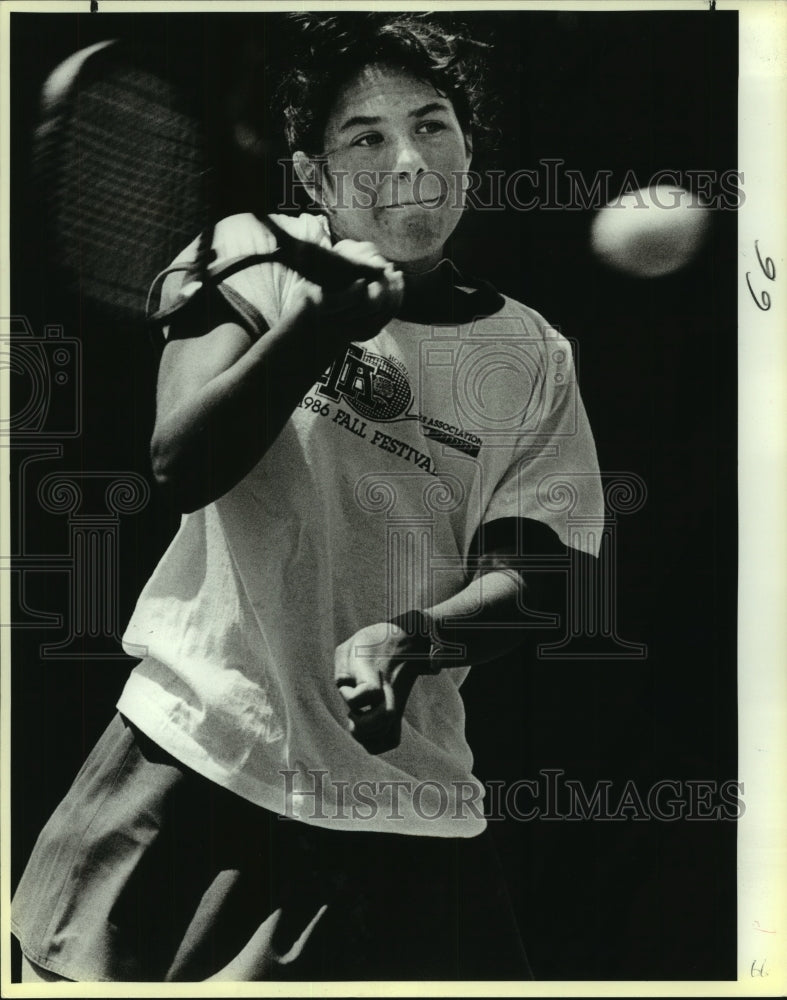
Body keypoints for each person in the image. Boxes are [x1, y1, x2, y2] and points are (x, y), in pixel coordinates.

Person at [12, 13, 602, 982]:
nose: (407, 156)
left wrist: (406, 639)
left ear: (468, 149)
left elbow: (536, 578)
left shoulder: (532, 354)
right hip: (197, 756)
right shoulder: (251, 254)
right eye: (364, 136)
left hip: (400, 817)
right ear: (313, 173)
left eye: (432, 123)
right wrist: (318, 327)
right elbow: (181, 462)